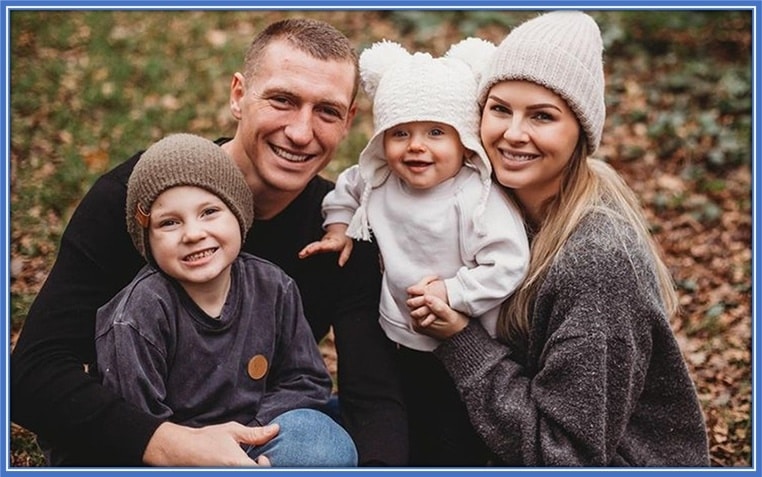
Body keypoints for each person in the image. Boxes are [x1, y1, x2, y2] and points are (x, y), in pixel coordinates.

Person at [11, 18, 407, 467]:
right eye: (282, 100)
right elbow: (31, 375)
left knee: (332, 442)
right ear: (239, 95)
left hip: (257, 429)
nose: (300, 132)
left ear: (349, 120)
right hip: (138, 433)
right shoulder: (138, 202)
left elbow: (372, 397)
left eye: (327, 111)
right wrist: (169, 444)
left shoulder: (339, 230)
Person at [406, 11, 710, 466]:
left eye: (542, 116)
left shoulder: (596, 263)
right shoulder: (490, 207)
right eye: (501, 108)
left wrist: (460, 338)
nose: (513, 133)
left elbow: (566, 456)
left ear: (580, 133)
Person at [299, 39, 529, 466]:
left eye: (436, 132)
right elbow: (345, 191)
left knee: (452, 432)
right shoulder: (380, 178)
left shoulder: (475, 199)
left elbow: (507, 263)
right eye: (400, 133)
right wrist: (337, 230)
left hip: (463, 338)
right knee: (408, 413)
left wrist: (454, 293)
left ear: (465, 142)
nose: (416, 146)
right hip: (397, 333)